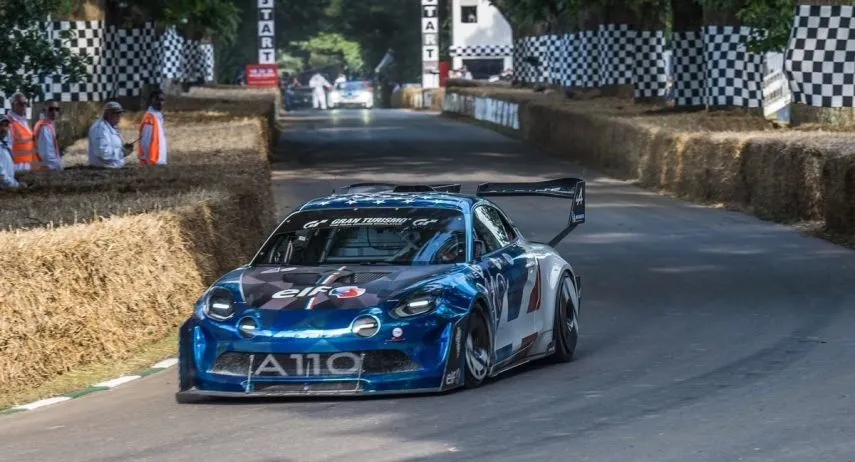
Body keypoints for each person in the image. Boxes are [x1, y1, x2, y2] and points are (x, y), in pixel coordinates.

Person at [88, 101, 131, 169]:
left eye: (120, 114)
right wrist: (121, 152)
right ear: (109, 114)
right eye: (116, 113)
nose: (119, 116)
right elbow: (103, 153)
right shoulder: (101, 128)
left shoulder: (112, 127)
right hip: (102, 171)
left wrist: (125, 148)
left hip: (112, 168)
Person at [6, 92, 39, 171]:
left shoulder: (24, 121)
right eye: (20, 103)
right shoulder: (8, 123)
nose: (24, 106)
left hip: (29, 167)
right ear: (13, 104)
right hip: (17, 169)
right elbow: (6, 151)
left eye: (25, 103)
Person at [138, 90, 167, 165]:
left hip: (158, 161)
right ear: (152, 100)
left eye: (162, 100)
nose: (161, 103)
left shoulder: (158, 116)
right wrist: (150, 163)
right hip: (153, 163)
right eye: (158, 100)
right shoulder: (150, 118)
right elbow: (145, 143)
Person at [33, 100, 63, 171]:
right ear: (44, 110)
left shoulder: (48, 124)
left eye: (57, 109)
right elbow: (46, 155)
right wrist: (58, 167)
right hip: (49, 170)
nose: (54, 112)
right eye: (51, 109)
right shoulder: (45, 128)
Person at [0, 115, 22, 189]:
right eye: (0, 125)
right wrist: (17, 185)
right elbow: (2, 177)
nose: (3, 128)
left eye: (6, 126)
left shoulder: (4, 145)